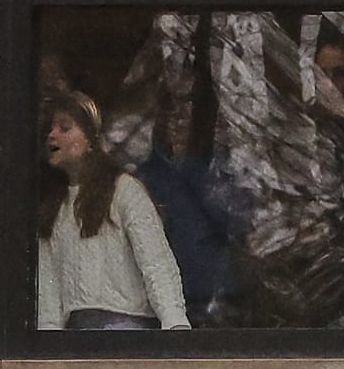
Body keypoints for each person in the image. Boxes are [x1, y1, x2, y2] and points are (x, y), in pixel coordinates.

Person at [38, 90, 190, 332]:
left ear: (90, 140)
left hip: (127, 331)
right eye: (50, 128)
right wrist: (49, 336)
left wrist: (175, 323)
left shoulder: (124, 191)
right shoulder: (53, 206)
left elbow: (155, 261)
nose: (52, 135)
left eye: (64, 128)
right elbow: (48, 287)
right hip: (73, 337)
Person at [136, 53, 249, 326]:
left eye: (189, 103)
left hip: (219, 312)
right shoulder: (143, 180)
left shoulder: (227, 173)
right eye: (170, 104)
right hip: (157, 315)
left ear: (207, 112)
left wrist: (193, 164)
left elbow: (242, 231)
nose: (178, 114)